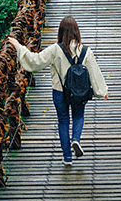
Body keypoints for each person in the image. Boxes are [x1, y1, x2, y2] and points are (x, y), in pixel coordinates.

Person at [7, 16, 108, 165]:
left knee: (63, 122)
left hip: (59, 91)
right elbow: (94, 72)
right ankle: (76, 140)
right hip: (79, 92)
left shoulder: (55, 49)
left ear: (61, 32)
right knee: (78, 117)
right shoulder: (85, 50)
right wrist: (102, 91)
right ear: (77, 32)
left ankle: (67, 157)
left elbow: (35, 62)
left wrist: (18, 45)